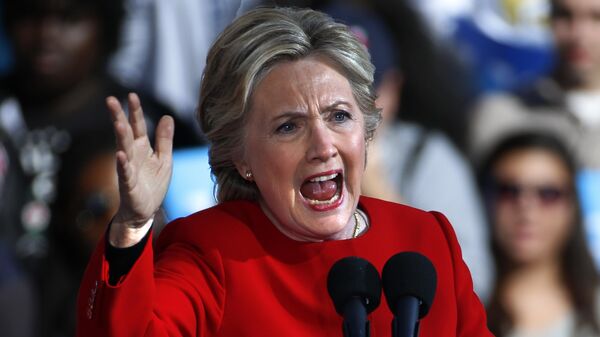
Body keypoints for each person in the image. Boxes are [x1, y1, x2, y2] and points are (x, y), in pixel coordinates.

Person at [76, 7, 492, 337]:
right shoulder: (213, 252)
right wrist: (133, 224)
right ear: (242, 157)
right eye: (288, 126)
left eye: (339, 116)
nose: (323, 145)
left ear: (366, 133)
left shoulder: (426, 241)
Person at [321, 0, 494, 303]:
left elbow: (473, 285)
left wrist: (374, 183)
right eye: (338, 93)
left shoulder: (428, 156)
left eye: (368, 92)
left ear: (395, 87)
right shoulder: (289, 153)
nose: (353, 109)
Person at [478, 131, 600, 336]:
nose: (527, 209)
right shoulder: (459, 305)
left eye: (548, 194)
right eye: (510, 191)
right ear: (484, 196)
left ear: (573, 206)